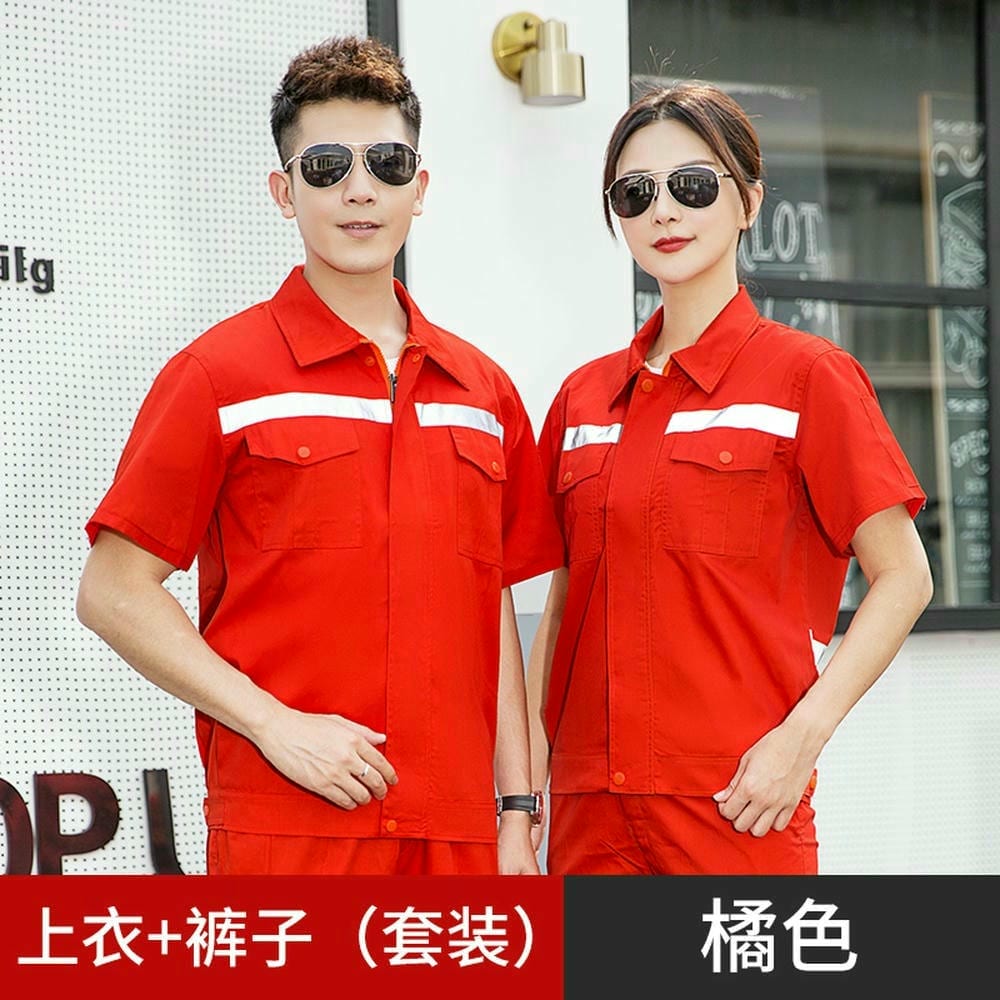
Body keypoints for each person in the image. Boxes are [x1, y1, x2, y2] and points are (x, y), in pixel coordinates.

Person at [76, 35, 563, 876]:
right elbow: (112, 592)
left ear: (419, 189)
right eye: (327, 166)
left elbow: (491, 609)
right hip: (290, 832)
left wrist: (517, 811)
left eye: (387, 164)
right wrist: (272, 724)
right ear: (284, 192)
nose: (360, 189)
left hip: (459, 838)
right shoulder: (219, 376)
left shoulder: (482, 394)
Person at [526, 82, 934, 875]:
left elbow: (905, 577)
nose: (663, 212)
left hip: (737, 805)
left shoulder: (807, 378)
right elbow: (566, 597)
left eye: (692, 185)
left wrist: (801, 739)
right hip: (590, 815)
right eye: (635, 193)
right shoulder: (583, 399)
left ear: (748, 201)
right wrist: (527, 783)